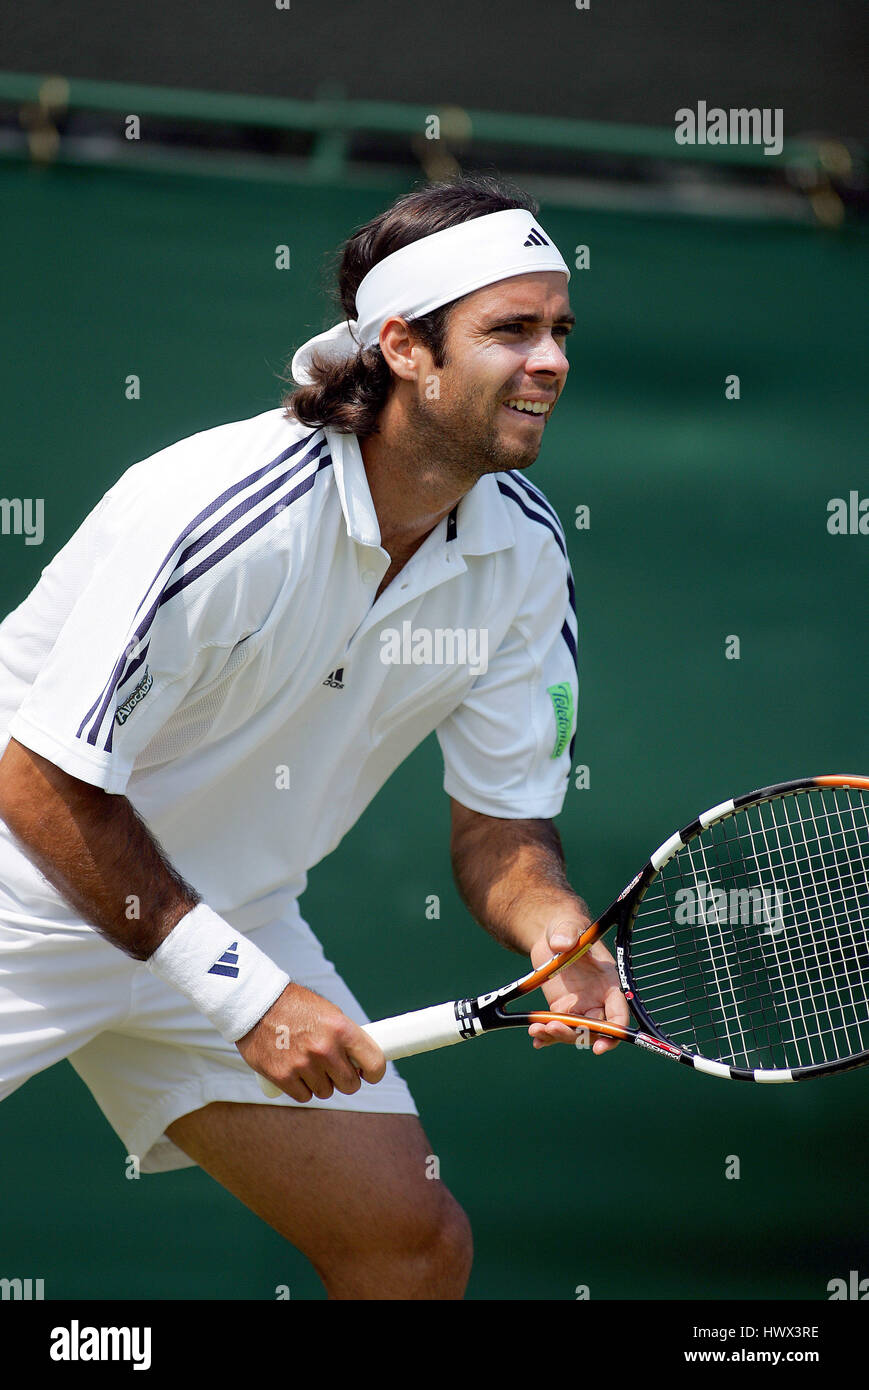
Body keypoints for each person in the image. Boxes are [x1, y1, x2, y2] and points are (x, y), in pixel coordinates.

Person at [0, 174, 628, 1300]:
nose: (550, 362)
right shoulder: (217, 511)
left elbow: (500, 823)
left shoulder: (525, 553)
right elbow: (38, 776)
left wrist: (555, 927)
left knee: (409, 1246)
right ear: (402, 346)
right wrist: (242, 993)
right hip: (27, 886)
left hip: (227, 914)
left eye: (559, 330)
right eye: (512, 330)